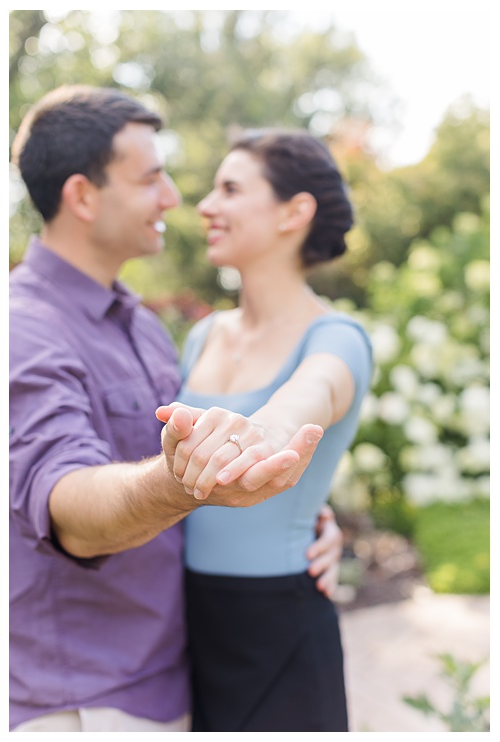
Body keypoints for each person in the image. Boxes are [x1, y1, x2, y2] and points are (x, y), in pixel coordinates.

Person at [9, 85, 343, 732]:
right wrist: (180, 481)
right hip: (87, 699)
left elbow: (217, 448)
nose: (172, 199)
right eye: (151, 179)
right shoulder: (28, 326)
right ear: (82, 195)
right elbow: (66, 505)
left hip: (176, 677)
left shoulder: (138, 324)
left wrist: (302, 518)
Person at [156, 130, 372, 731]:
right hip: (180, 623)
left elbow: (310, 395)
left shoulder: (337, 337)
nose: (204, 205)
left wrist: (270, 435)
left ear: (294, 212)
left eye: (230, 188)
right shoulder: (202, 336)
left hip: (280, 629)